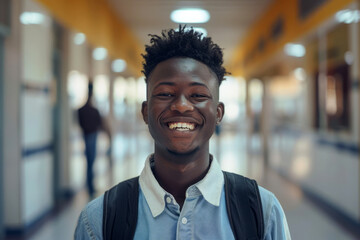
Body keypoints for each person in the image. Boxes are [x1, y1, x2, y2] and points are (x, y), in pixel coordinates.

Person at [75, 26, 291, 239]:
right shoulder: (99, 221)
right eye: (166, 93)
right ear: (145, 111)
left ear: (218, 113)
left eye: (197, 95)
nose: (181, 106)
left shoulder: (263, 212)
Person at [78, 82, 111, 197]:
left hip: (88, 135)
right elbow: (101, 124)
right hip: (91, 136)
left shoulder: (84, 110)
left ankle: (90, 186)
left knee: (90, 161)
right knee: (90, 161)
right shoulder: (90, 111)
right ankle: (90, 187)